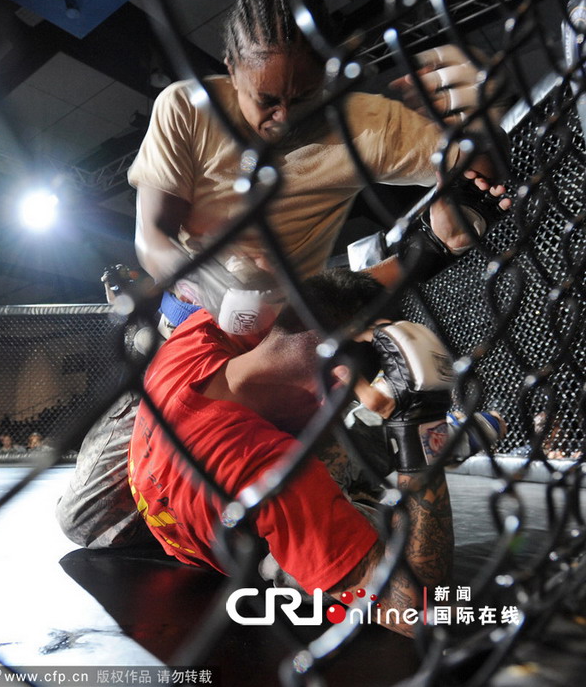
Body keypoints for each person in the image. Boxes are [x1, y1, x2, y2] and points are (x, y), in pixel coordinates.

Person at [56, 0, 510, 550]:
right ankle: (355, 457)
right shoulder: (187, 108)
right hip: (186, 336)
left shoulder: (365, 123)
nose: (284, 117)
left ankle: (376, 452)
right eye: (266, 99)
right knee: (86, 520)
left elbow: (480, 176)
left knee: (260, 530)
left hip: (285, 341)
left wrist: (477, 124)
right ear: (231, 68)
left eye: (304, 96)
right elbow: (152, 236)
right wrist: (217, 288)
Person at [128, 268, 454, 637]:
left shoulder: (198, 332)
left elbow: (325, 298)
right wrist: (421, 431)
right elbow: (415, 611)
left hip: (171, 520)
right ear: (339, 382)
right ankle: (414, 445)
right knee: (379, 526)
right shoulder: (275, 476)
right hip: (245, 533)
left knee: (344, 436)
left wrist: (425, 254)